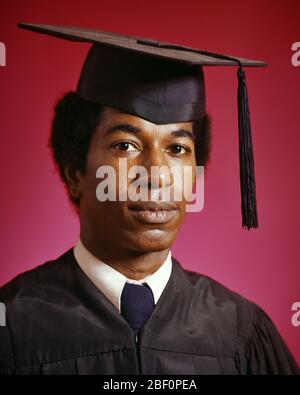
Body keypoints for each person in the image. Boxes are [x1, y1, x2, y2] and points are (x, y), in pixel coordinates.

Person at [0, 23, 299, 375]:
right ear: (75, 172)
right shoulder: (13, 325)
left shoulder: (241, 333)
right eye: (126, 145)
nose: (156, 175)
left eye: (177, 148)